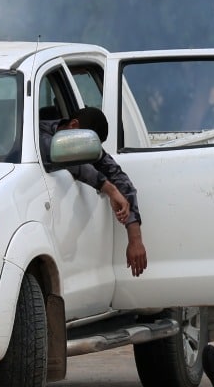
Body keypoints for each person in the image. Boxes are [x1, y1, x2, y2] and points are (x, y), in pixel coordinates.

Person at [40, 106, 148, 276]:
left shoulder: (84, 141)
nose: (87, 150)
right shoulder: (37, 135)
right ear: (73, 126)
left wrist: (135, 239)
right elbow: (73, 162)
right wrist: (110, 190)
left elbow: (119, 178)